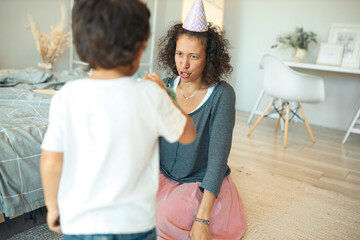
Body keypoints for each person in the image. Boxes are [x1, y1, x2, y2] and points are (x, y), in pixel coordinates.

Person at [40, 0, 196, 239]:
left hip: (80, 222)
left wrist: (53, 207)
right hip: (134, 225)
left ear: (81, 45)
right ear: (140, 47)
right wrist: (168, 95)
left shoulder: (67, 96)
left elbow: (51, 162)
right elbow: (188, 134)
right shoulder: (151, 95)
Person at [155, 0, 246, 239]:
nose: (183, 64)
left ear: (209, 58)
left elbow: (218, 159)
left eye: (193, 56)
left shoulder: (221, 95)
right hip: (162, 173)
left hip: (198, 182)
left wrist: (202, 218)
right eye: (179, 54)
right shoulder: (166, 85)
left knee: (163, 217)